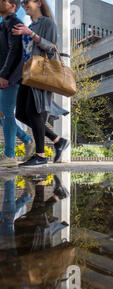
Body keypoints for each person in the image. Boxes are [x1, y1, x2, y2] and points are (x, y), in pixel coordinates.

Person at [12, 0, 69, 167]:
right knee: (20, 114)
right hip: (26, 74)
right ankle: (57, 140)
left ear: (38, 3)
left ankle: (41, 155)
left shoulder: (47, 23)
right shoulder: (32, 25)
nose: (23, 5)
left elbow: (51, 48)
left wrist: (31, 34)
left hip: (40, 74)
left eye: (26, 2)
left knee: (34, 111)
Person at [0, 0, 35, 168]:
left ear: (13, 6)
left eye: (3, 1)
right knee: (1, 113)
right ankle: (27, 140)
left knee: (5, 112)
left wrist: (5, 75)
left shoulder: (14, 22)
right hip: (5, 74)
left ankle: (10, 155)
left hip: (11, 76)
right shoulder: (5, 23)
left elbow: (15, 52)